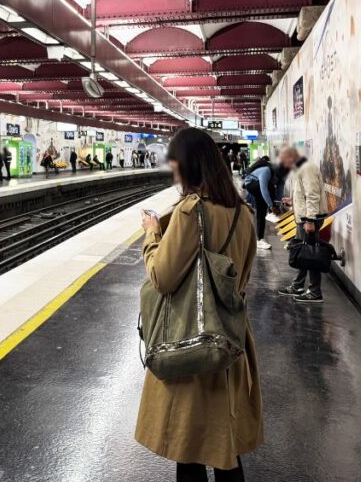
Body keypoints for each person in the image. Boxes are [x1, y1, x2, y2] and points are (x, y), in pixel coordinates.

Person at [137, 127, 262, 481]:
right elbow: (242, 277)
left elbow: (162, 276)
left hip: (192, 341)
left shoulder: (191, 212)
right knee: (225, 450)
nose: (174, 172)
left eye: (176, 164)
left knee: (190, 449)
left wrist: (152, 234)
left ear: (189, 166)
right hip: (231, 341)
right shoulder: (243, 214)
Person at [277, 145, 324, 303]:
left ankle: (315, 292)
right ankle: (298, 286)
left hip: (309, 220)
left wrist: (310, 220)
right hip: (303, 219)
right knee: (303, 253)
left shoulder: (307, 168)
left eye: (284, 160)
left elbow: (313, 195)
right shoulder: (299, 169)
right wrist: (293, 201)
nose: (283, 164)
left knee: (310, 255)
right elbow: (304, 193)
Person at [241, 156, 285, 251]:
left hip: (260, 185)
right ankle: (260, 238)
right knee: (268, 191)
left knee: (261, 209)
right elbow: (264, 189)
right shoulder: (266, 171)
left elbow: (280, 191)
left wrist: (277, 204)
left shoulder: (282, 177)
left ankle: (260, 239)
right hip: (251, 184)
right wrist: (271, 206)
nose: (277, 179)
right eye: (276, 176)